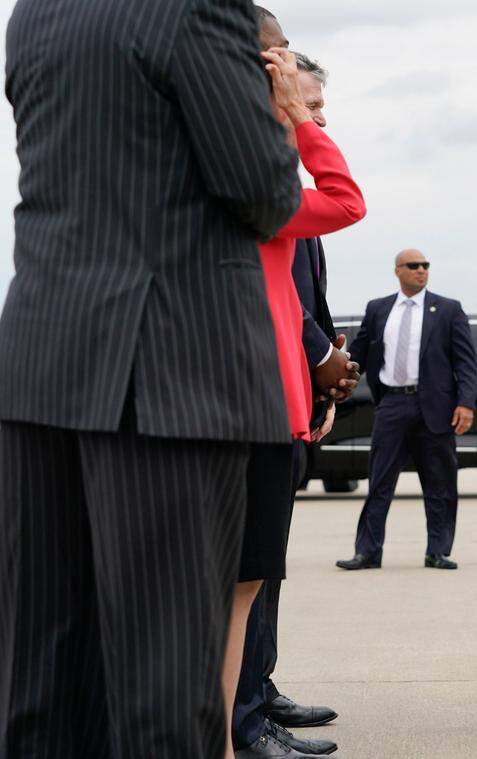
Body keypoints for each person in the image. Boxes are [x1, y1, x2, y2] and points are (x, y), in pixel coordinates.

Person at [0, 1, 301, 757]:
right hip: (171, 373)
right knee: (165, 687)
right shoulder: (196, 7)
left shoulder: (34, 14)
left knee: (43, 679)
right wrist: (285, 116)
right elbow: (263, 191)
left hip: (40, 360)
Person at [231, 43, 355, 759]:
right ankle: (244, 717)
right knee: (246, 572)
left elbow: (301, 296)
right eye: (309, 104)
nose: (318, 116)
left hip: (291, 391)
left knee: (262, 568)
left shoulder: (278, 181)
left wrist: (319, 376)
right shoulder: (258, 187)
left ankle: (257, 692)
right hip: (262, 392)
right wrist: (318, 360)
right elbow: (344, 201)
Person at [337, 250, 477, 571]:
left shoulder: (448, 309)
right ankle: (368, 552)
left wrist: (466, 403)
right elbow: (357, 354)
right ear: (398, 270)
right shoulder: (378, 309)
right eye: (413, 266)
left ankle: (438, 551)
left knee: (439, 483)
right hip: (392, 404)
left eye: (426, 265)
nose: (421, 270)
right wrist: (333, 368)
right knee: (380, 481)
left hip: (436, 407)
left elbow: (466, 363)